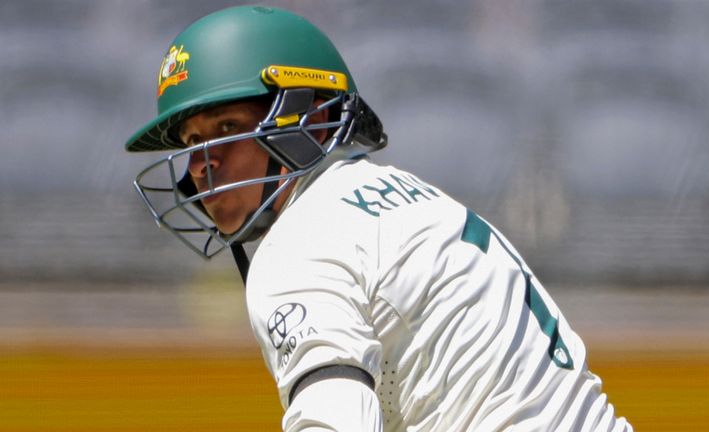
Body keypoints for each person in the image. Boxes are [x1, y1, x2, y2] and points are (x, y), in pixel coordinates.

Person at [125, 6, 632, 432]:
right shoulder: (415, 195)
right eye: (193, 142)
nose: (201, 165)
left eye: (227, 128)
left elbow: (335, 421)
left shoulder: (296, 247)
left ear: (313, 119)